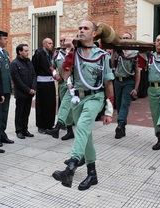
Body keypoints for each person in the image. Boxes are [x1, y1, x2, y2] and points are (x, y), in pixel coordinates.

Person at [52, 20, 115, 191]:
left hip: (95, 97)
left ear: (94, 33)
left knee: (82, 127)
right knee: (86, 136)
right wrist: (70, 53)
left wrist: (109, 109)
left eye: (85, 28)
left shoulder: (102, 55)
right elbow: (64, 77)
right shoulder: (74, 53)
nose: (81, 30)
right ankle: (92, 174)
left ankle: (71, 166)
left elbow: (108, 82)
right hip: (77, 99)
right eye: (79, 28)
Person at [112, 33, 141, 139]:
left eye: (127, 38)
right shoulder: (118, 52)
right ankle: (122, 128)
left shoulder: (135, 54)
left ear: (131, 40)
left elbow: (137, 72)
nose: (125, 40)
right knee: (119, 104)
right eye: (123, 38)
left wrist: (136, 88)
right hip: (117, 81)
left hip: (128, 81)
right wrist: (114, 52)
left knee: (125, 103)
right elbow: (112, 65)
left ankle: (119, 124)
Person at [46, 37, 75, 140]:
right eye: (61, 41)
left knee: (68, 106)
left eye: (65, 40)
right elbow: (51, 66)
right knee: (65, 106)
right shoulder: (57, 53)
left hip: (72, 83)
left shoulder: (76, 52)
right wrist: (55, 74)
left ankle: (59, 128)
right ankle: (69, 130)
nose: (63, 42)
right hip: (62, 83)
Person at [0, 29, 14, 146]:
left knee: (5, 113)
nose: (6, 41)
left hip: (6, 88)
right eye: (5, 39)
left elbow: (7, 71)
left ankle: (2, 134)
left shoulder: (5, 53)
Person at [10, 44, 36, 139]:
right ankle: (19, 131)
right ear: (19, 52)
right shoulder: (14, 64)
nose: (27, 52)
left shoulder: (29, 62)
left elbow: (34, 75)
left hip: (30, 93)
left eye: (28, 50)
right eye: (25, 51)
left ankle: (25, 130)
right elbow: (17, 81)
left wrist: (33, 88)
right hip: (21, 93)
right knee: (19, 113)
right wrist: (28, 90)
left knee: (26, 113)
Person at [32, 38, 56, 133]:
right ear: (44, 44)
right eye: (50, 43)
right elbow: (34, 69)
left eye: (52, 43)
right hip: (41, 83)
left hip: (50, 82)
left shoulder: (51, 53)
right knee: (42, 105)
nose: (52, 45)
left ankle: (50, 125)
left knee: (51, 104)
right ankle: (41, 126)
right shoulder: (38, 54)